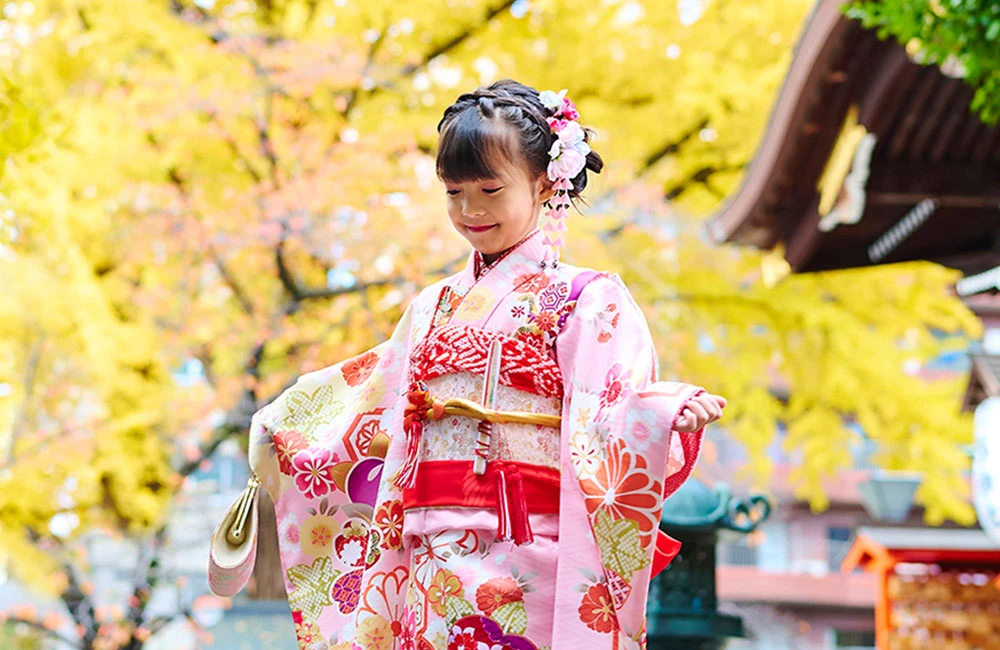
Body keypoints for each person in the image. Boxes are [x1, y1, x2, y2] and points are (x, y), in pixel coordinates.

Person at [209, 79, 725, 650]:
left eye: (490, 188)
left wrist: (663, 409)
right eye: (454, 192)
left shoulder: (588, 298)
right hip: (428, 559)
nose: (470, 209)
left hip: (529, 557)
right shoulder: (431, 307)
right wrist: (288, 422)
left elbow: (611, 406)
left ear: (545, 182)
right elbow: (368, 400)